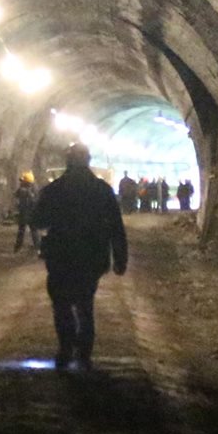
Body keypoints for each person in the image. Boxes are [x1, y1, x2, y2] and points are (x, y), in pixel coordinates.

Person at [31, 142, 128, 371]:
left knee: (61, 304)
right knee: (85, 304)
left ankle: (66, 348)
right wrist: (120, 258)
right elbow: (116, 227)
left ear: (67, 161)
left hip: (61, 257)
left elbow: (37, 220)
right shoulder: (102, 190)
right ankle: (84, 352)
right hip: (92, 257)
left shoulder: (54, 190)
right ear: (88, 160)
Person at [12, 170, 38, 252]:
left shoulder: (30, 190)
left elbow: (34, 200)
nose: (21, 182)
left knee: (28, 231)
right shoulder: (26, 189)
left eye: (23, 181)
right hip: (28, 213)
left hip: (28, 213)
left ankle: (19, 247)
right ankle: (19, 247)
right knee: (29, 231)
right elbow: (16, 195)